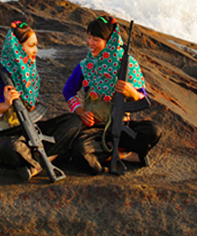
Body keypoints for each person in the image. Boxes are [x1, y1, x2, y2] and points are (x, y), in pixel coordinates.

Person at [0, 21, 84, 181]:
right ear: (17, 48)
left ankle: (36, 165)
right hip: (2, 137)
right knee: (12, 149)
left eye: (36, 45)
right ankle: (49, 156)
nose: (36, 51)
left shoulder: (30, 75)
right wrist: (3, 106)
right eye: (31, 46)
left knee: (73, 122)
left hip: (29, 131)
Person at [63, 14, 161, 174]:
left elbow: (142, 98)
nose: (90, 43)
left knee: (152, 131)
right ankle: (125, 155)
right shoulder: (86, 65)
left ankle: (112, 154)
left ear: (109, 42)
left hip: (122, 128)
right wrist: (81, 112)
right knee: (80, 148)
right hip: (94, 130)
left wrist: (132, 93)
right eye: (89, 37)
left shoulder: (128, 65)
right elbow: (68, 91)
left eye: (95, 39)